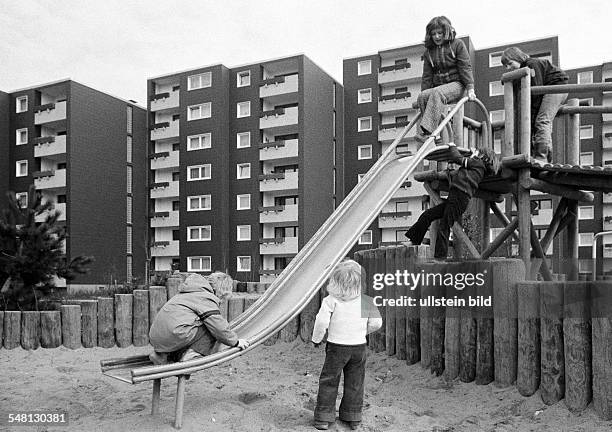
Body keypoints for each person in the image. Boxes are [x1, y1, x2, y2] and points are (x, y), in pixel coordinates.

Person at [311, 260, 383, 430]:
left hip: (336, 347)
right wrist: (361, 332)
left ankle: (323, 417)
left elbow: (321, 322)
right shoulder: (366, 301)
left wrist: (316, 339)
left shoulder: (331, 300)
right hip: (358, 347)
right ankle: (353, 417)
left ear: (334, 282)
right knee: (355, 382)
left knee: (329, 380)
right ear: (360, 282)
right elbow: (377, 323)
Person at [404, 146, 501, 259]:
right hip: (456, 198)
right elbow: (460, 172)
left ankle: (440, 258)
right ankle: (415, 240)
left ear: (482, 156)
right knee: (428, 215)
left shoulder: (477, 163)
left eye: (477, 152)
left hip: (460, 198)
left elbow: (457, 158)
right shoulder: (476, 167)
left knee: (444, 226)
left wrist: (452, 146)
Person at [148, 272, 250, 365]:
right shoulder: (205, 297)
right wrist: (235, 342)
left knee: (191, 325)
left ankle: (160, 356)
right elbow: (218, 326)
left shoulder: (188, 292)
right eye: (222, 298)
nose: (221, 301)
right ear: (221, 290)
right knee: (211, 327)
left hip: (156, 337)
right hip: (176, 333)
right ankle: (191, 355)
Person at [501, 47, 569, 162]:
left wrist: (531, 120)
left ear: (517, 57)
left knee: (542, 120)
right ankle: (547, 157)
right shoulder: (524, 71)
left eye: (510, 63)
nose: (508, 68)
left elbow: (535, 93)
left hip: (556, 87)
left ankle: (541, 158)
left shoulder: (531, 65)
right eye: (506, 66)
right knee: (544, 121)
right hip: (552, 89)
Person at [416, 16, 476, 143]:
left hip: (458, 85)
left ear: (447, 32)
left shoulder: (457, 45)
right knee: (422, 96)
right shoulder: (428, 53)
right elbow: (427, 77)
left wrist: (470, 88)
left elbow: (465, 67)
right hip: (440, 87)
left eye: (440, 33)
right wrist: (424, 97)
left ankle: (429, 131)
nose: (437, 37)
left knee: (437, 93)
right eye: (433, 34)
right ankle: (435, 135)